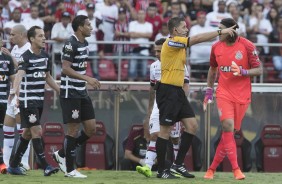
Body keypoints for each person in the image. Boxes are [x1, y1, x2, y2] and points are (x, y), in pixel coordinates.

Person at [154, 16, 236, 179]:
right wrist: (221, 31)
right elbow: (197, 39)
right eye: (184, 27)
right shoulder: (171, 42)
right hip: (167, 91)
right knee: (165, 131)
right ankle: (161, 170)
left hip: (177, 92)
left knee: (192, 125)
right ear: (175, 30)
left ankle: (177, 165)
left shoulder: (179, 44)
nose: (187, 29)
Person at [203, 18, 262, 180]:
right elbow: (213, 69)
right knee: (227, 125)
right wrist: (209, 90)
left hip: (242, 96)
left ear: (232, 30)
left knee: (228, 133)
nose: (219, 33)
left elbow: (259, 70)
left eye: (222, 29)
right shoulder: (216, 47)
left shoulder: (247, 45)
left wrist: (244, 72)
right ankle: (236, 169)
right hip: (223, 93)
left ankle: (211, 169)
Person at [7, 26, 60, 176]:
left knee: (27, 134)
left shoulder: (45, 55)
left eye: (44, 36)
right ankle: (46, 166)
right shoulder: (25, 57)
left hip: (39, 100)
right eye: (40, 36)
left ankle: (13, 165)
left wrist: (60, 91)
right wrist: (13, 91)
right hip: (27, 100)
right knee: (37, 131)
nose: (44, 38)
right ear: (31, 39)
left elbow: (48, 77)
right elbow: (19, 75)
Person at [52, 15, 101, 178]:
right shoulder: (70, 43)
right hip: (70, 92)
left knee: (91, 128)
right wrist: (87, 78)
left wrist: (85, 81)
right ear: (80, 27)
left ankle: (61, 153)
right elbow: (65, 69)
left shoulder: (85, 43)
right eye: (88, 25)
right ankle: (70, 169)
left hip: (81, 91)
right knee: (73, 130)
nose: (91, 28)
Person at [136, 38, 186, 178]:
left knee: (175, 138)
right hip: (159, 105)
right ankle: (147, 166)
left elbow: (185, 85)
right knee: (154, 135)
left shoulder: (179, 64)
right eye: (155, 51)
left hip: (174, 104)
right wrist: (150, 109)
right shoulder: (153, 66)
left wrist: (182, 106)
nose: (157, 53)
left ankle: (177, 165)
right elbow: (152, 89)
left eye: (159, 51)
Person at [2, 24, 31, 171]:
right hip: (15, 94)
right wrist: (12, 92)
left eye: (13, 34)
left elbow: (23, 69)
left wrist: (10, 57)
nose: (10, 37)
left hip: (24, 94)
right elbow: (14, 75)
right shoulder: (15, 48)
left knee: (23, 131)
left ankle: (24, 162)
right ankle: (7, 165)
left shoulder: (28, 49)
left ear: (21, 35)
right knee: (7, 129)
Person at [0, 36, 16, 174]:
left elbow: (13, 79)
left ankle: (4, 162)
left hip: (3, 101)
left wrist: (15, 93)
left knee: (4, 131)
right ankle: (1, 163)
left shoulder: (7, 58)